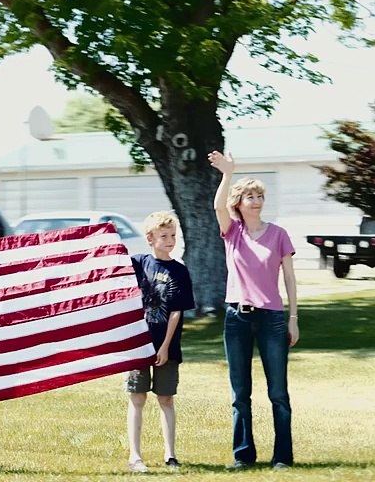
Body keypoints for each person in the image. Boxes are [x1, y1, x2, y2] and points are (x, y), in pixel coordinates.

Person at [206, 150, 299, 470]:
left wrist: (293, 318)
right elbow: (218, 206)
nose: (256, 200)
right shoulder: (233, 232)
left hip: (272, 318)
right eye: (250, 196)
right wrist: (227, 174)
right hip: (236, 319)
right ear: (239, 203)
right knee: (240, 393)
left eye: (260, 195)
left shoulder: (279, 235)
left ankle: (283, 457)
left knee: (278, 393)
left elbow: (288, 277)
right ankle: (243, 455)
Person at [125, 211, 196, 473]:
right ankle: (135, 456)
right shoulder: (139, 263)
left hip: (167, 346)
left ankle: (170, 454)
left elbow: (177, 312)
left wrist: (165, 346)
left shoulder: (179, 271)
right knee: (137, 397)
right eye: (164, 236)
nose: (170, 240)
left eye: (173, 236)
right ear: (150, 238)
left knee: (166, 399)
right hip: (138, 344)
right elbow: (112, 268)